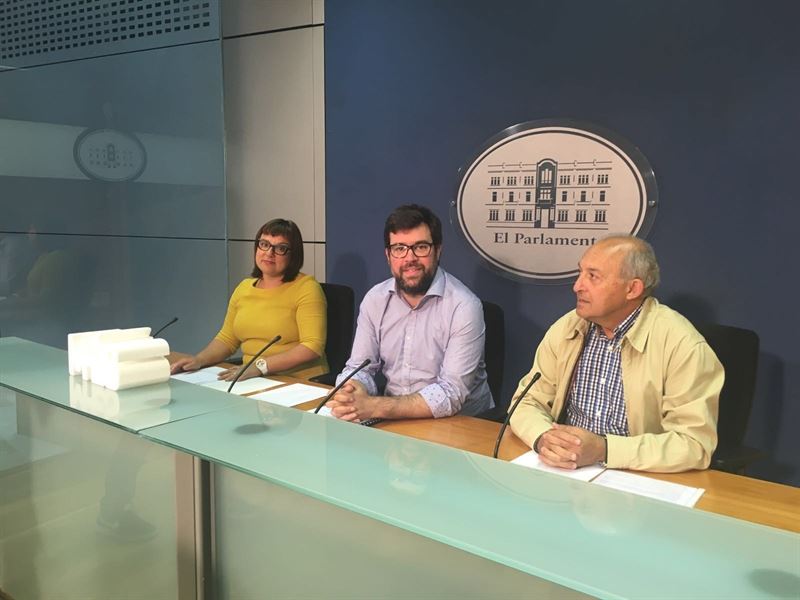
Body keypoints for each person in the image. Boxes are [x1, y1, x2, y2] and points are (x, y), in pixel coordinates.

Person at [509, 235, 723, 473]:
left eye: (593, 276)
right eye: (580, 273)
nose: (577, 286)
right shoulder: (567, 328)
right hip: (565, 469)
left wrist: (605, 449)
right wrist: (544, 438)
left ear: (632, 289)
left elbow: (693, 445)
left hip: (638, 476)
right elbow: (526, 401)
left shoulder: (682, 345)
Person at [328, 204, 493, 422]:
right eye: (399, 249)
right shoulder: (375, 300)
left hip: (459, 424)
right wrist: (351, 390)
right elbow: (359, 367)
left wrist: (375, 406)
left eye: (421, 247)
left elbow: (451, 393)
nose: (410, 258)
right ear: (388, 255)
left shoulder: (464, 305)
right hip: (395, 420)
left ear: (438, 250)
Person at [171, 219, 328, 380]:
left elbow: (312, 346)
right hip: (251, 379)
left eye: (280, 248)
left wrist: (261, 367)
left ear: (293, 255)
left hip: (298, 382)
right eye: (264, 244)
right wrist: (199, 360)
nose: (269, 253)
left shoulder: (307, 288)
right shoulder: (244, 287)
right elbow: (227, 339)